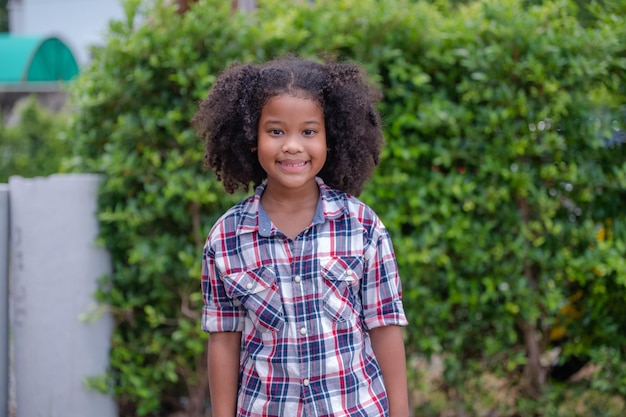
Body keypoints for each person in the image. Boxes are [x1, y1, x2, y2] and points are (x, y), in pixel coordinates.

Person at [192, 56, 409, 417]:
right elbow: (224, 342)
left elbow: (384, 325)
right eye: (276, 131)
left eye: (308, 131)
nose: (292, 146)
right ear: (251, 138)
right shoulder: (226, 238)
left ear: (330, 139)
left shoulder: (362, 226)